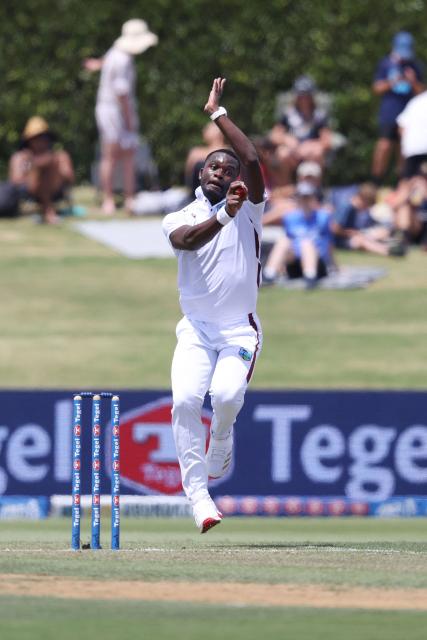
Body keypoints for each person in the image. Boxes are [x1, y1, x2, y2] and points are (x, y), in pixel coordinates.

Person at [162, 78, 265, 533]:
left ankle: (221, 435)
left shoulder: (252, 207)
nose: (221, 171)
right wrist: (224, 213)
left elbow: (255, 159)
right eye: (213, 167)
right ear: (201, 174)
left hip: (239, 330)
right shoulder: (179, 216)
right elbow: (188, 241)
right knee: (185, 400)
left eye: (228, 168)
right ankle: (199, 498)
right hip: (197, 329)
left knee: (225, 397)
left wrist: (217, 115)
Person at [85, 19, 158, 215]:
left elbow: (107, 63)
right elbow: (122, 93)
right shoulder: (123, 59)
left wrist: (96, 64)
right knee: (116, 155)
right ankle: (118, 199)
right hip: (114, 110)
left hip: (109, 108)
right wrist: (129, 120)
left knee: (118, 156)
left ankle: (124, 198)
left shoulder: (115, 53)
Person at [371, 32, 424, 183]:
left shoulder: (415, 66)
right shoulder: (385, 63)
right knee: (384, 146)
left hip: (408, 115)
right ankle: (376, 181)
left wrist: (413, 81)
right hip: (389, 113)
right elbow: (376, 88)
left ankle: (402, 182)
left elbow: (422, 92)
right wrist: (392, 82)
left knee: (403, 149)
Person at [263, 181, 333, 289]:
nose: (305, 201)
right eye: (302, 198)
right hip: (296, 264)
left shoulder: (323, 216)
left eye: (308, 198)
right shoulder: (290, 217)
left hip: (317, 264)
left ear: (314, 198)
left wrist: (334, 265)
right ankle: (269, 273)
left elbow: (329, 243)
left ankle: (310, 276)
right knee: (284, 240)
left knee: (306, 243)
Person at [9, 116, 75, 224]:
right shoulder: (20, 157)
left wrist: (52, 168)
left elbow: (69, 177)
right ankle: (48, 210)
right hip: (29, 194)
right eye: (36, 138)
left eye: (43, 137)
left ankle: (47, 208)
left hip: (56, 191)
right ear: (28, 140)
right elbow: (15, 181)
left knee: (48, 166)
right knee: (39, 169)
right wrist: (33, 170)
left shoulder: (59, 156)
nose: (41, 141)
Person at [269, 76, 333, 184]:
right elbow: (274, 136)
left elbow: (326, 141)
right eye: (301, 95)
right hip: (292, 153)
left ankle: (315, 189)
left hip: (310, 153)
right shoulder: (288, 114)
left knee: (318, 152)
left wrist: (311, 145)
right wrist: (287, 140)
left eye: (306, 96)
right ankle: (286, 187)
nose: (303, 99)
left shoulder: (319, 116)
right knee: (282, 153)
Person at [331, 183, 405, 256]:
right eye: (367, 205)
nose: (366, 208)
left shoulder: (354, 209)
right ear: (363, 199)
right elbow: (334, 229)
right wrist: (351, 234)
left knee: (380, 233)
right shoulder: (346, 206)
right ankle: (388, 251)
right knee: (360, 240)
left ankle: (390, 246)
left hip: (350, 236)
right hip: (338, 241)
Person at [185, 121, 227, 193]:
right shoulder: (196, 152)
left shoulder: (196, 154)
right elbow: (189, 179)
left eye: (207, 129)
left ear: (218, 132)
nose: (203, 131)